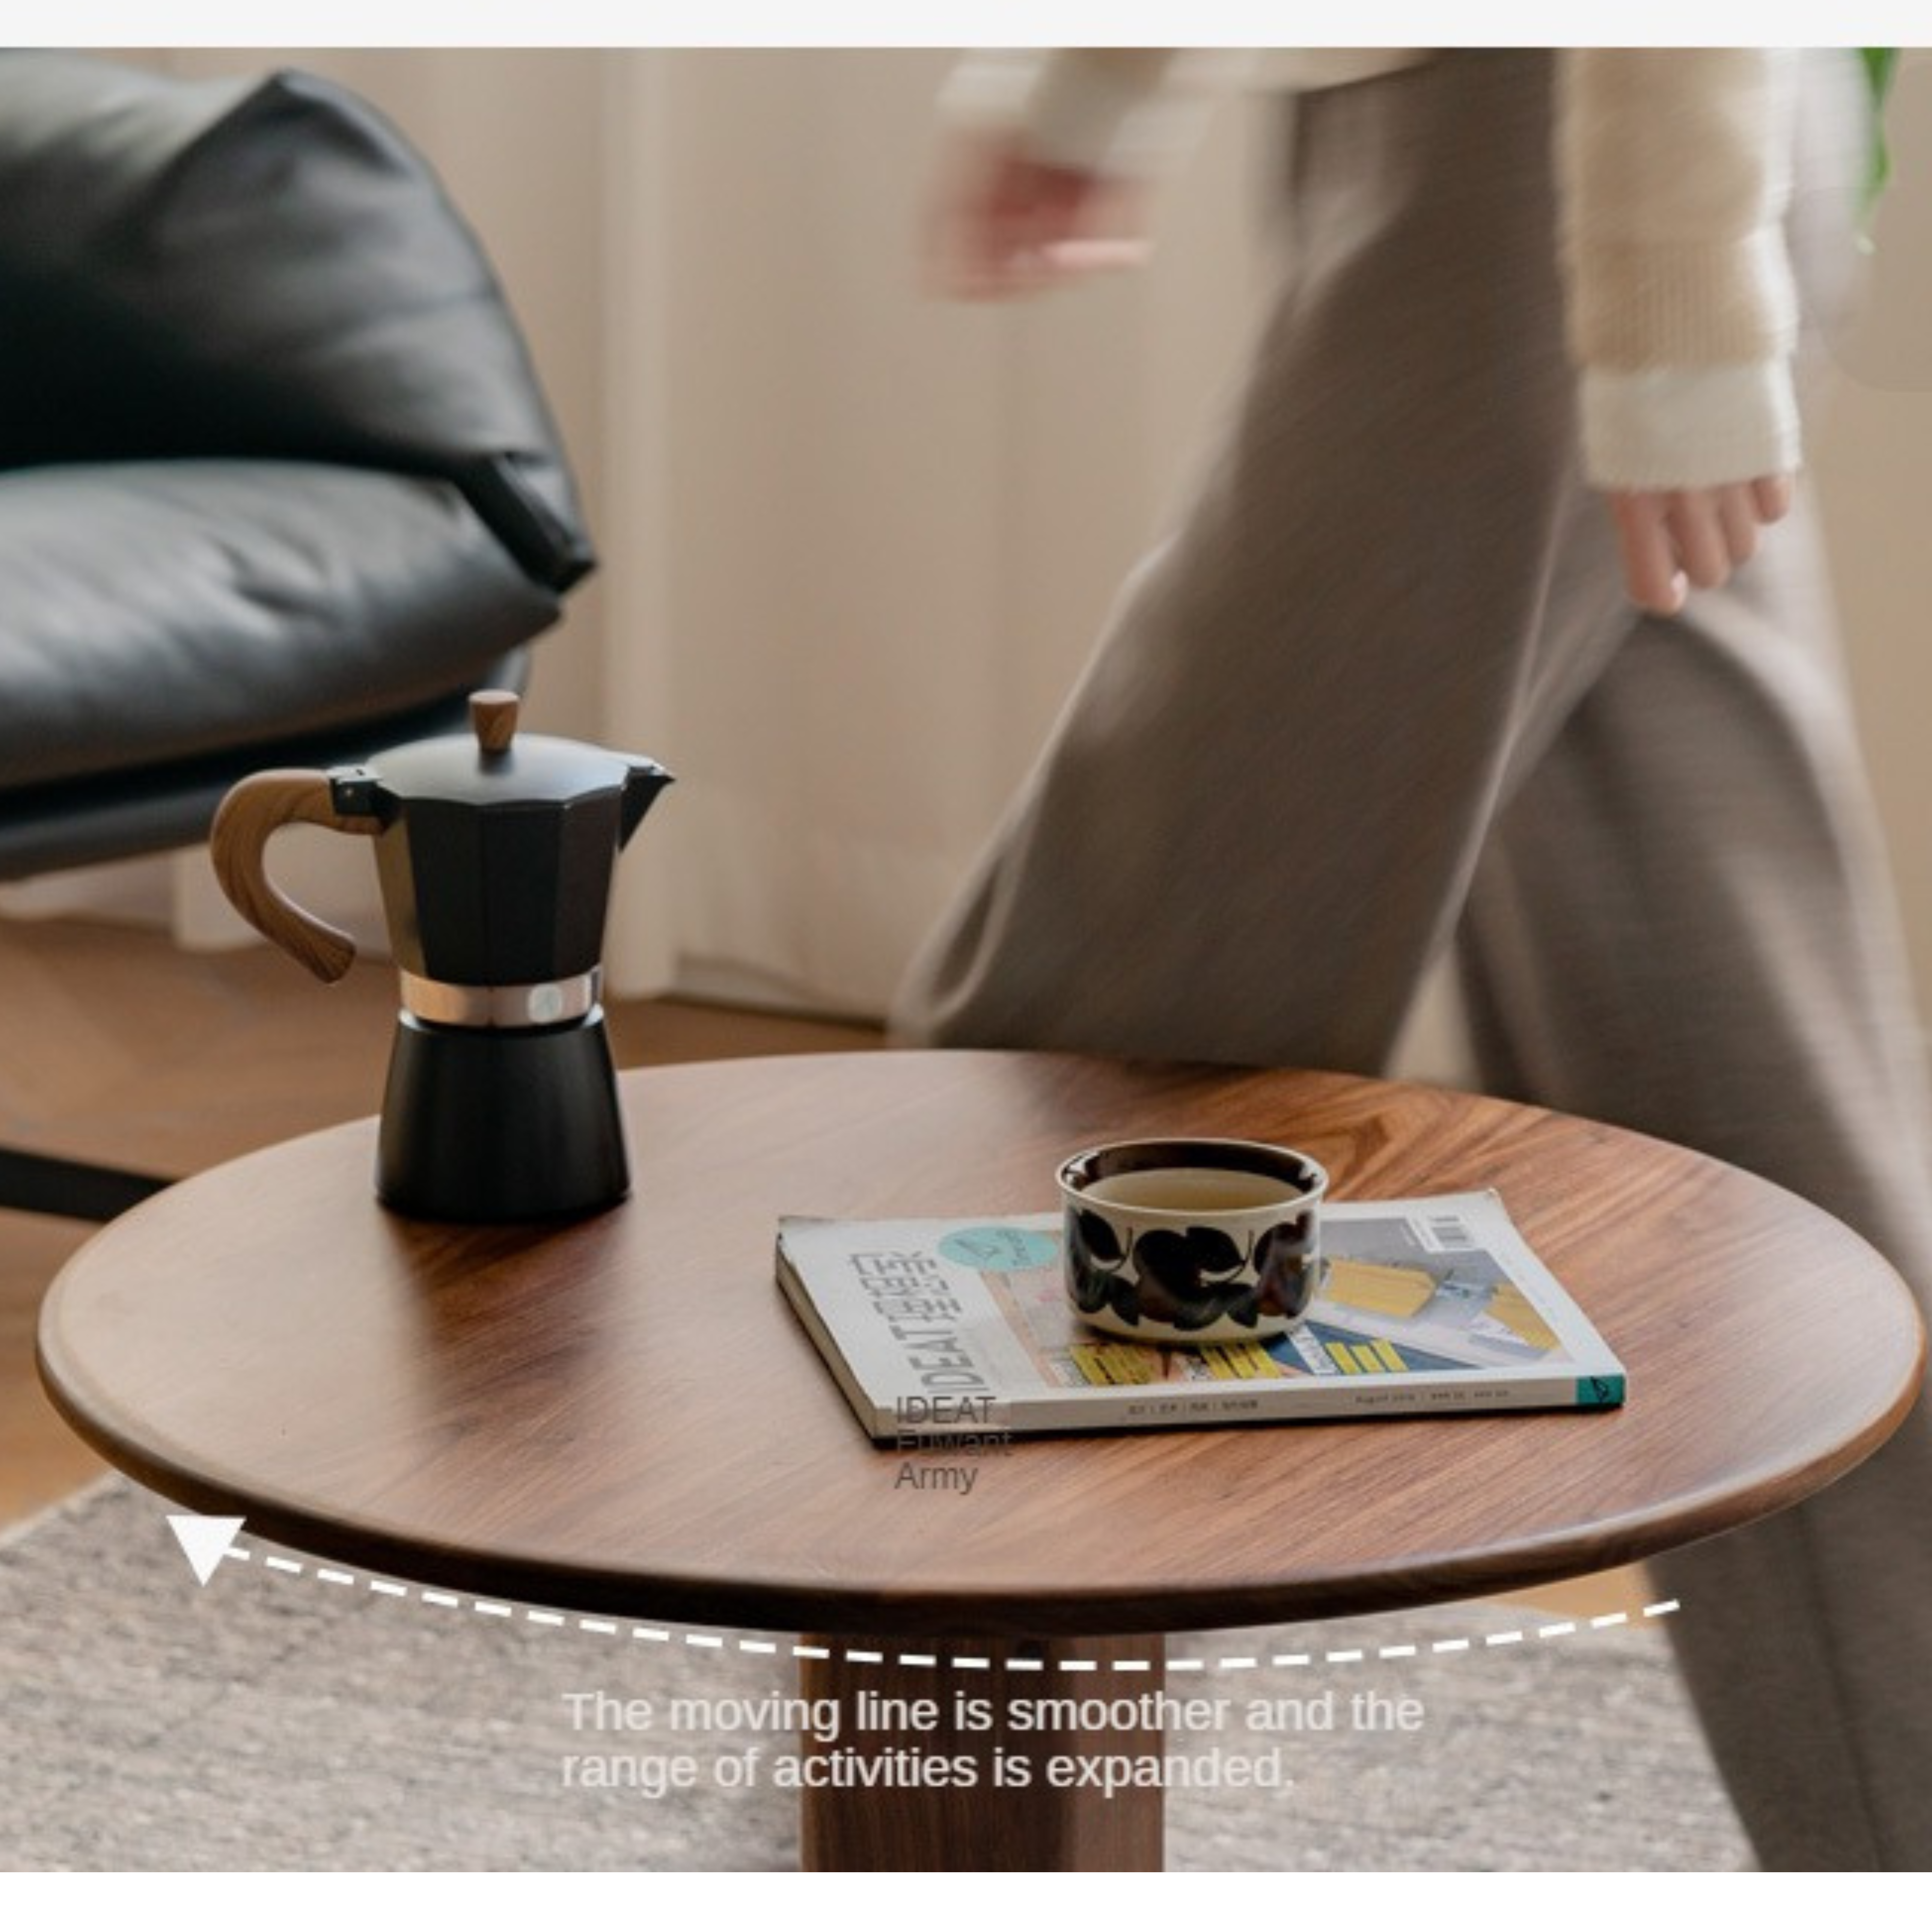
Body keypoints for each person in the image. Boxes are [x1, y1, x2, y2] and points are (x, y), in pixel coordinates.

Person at [892, 48, 1932, 1870]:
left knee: (1064, 1066)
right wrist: (1093, 88)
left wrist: (1666, 306)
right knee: (1753, 1154)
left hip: (1563, 164)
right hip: (1562, 166)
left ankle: (922, 1825)